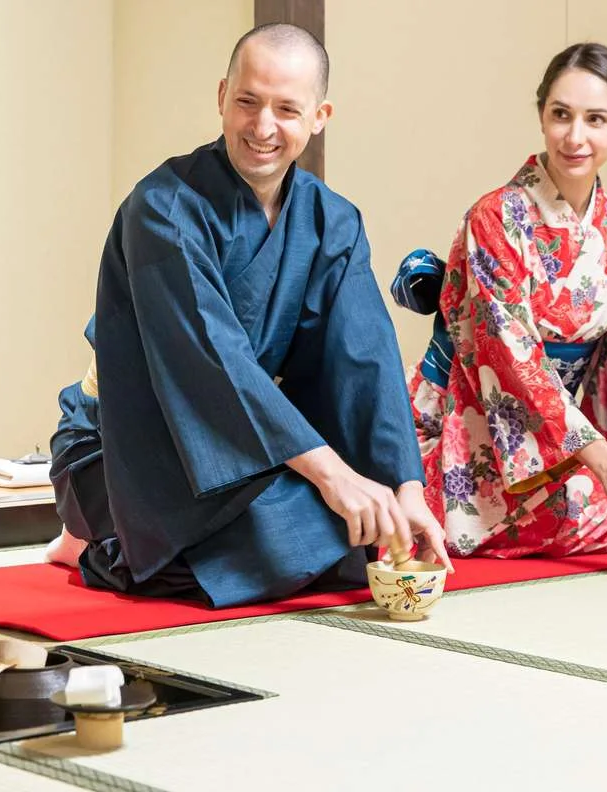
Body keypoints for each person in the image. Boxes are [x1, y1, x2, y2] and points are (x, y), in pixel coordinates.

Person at [44, 23, 453, 610]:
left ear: (319, 116)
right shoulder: (162, 208)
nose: (263, 128)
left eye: (287, 109)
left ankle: (165, 539)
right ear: (221, 97)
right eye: (247, 102)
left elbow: (366, 358)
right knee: (318, 524)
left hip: (243, 446)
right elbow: (215, 365)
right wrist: (336, 479)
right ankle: (98, 542)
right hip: (127, 444)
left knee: (366, 529)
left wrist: (406, 489)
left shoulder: (330, 219)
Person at [393, 43, 607, 560]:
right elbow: (512, 359)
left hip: (556, 440)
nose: (574, 136)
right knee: (593, 503)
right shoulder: (495, 217)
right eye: (561, 114)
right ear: (542, 114)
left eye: (596, 119)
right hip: (463, 412)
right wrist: (605, 462)